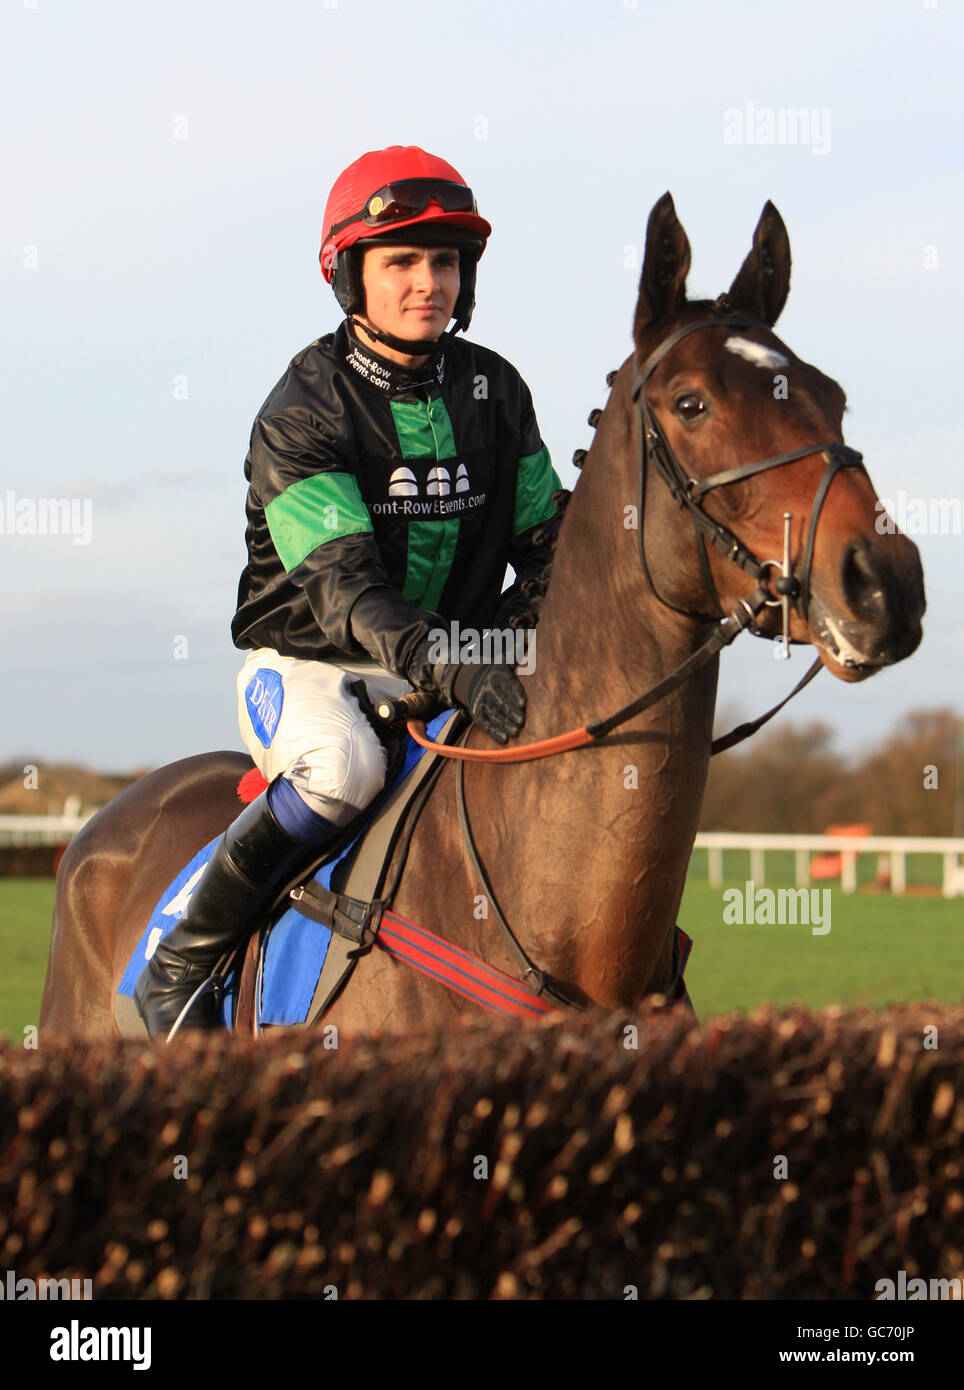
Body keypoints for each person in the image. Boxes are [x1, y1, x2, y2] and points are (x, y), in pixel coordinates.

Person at [134, 144, 562, 1039]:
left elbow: (547, 540)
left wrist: (533, 626)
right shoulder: (302, 408)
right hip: (315, 664)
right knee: (344, 769)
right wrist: (459, 662)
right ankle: (183, 959)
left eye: (444, 262)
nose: (428, 284)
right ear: (350, 277)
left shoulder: (496, 388)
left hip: (454, 660)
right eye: (401, 262)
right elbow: (350, 594)